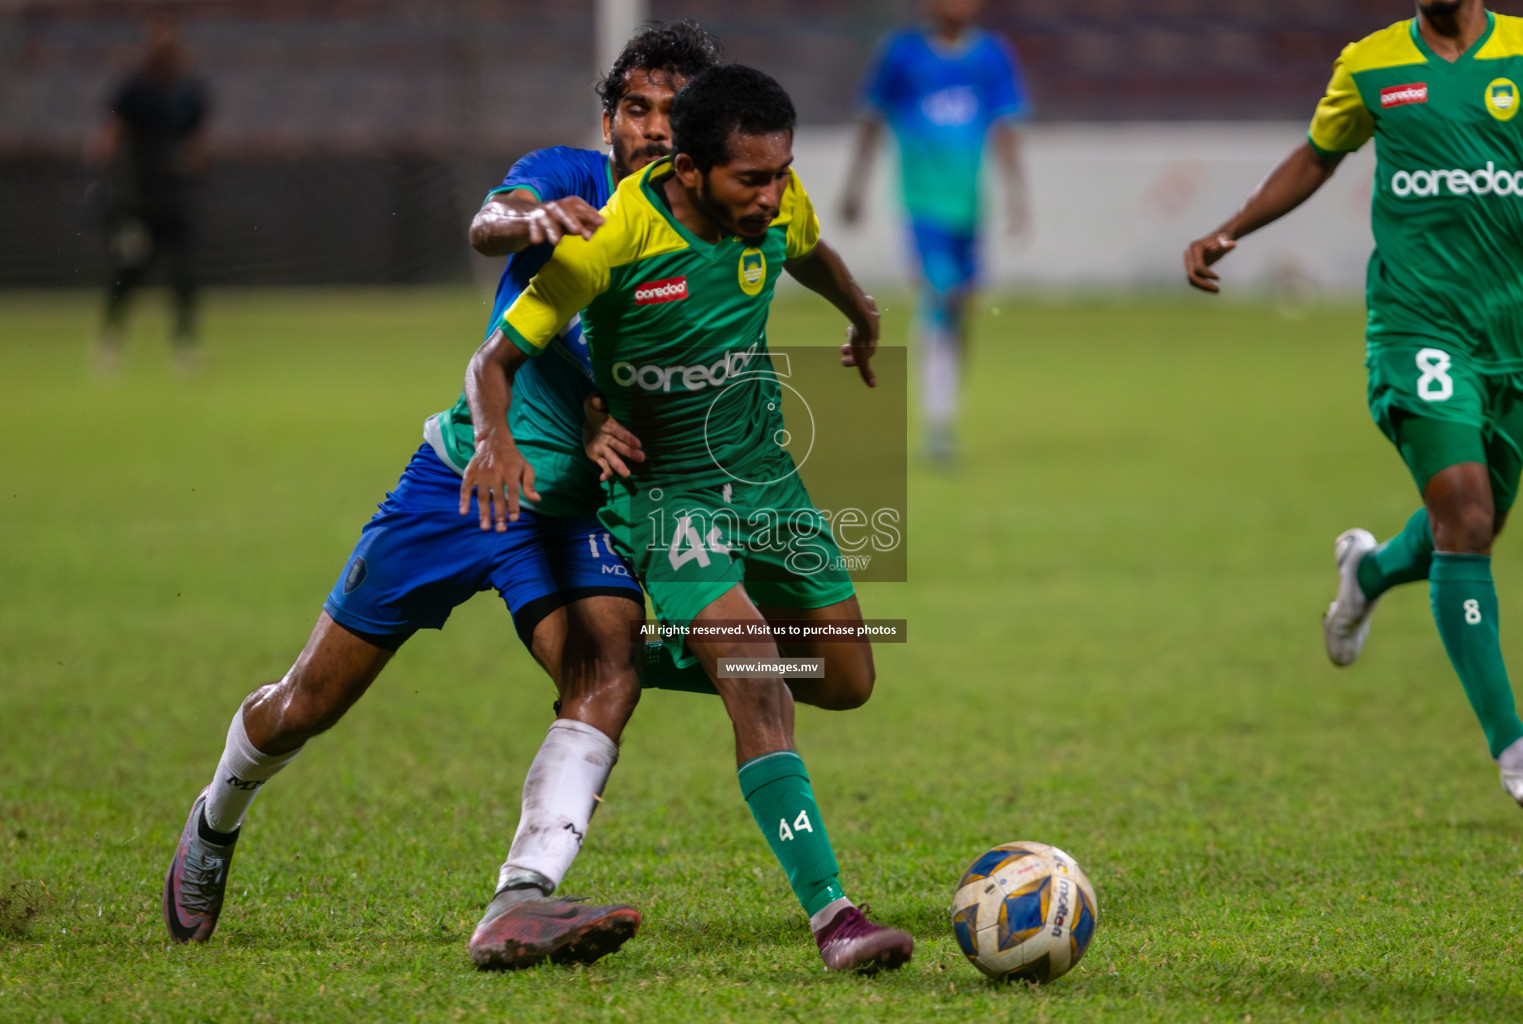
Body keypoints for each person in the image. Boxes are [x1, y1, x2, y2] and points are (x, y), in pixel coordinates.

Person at [163, 22, 730, 971]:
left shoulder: (706, 234)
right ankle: (217, 816)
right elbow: (487, 223)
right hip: (463, 483)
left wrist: (611, 423)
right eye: (637, 109)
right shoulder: (569, 179)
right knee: (307, 703)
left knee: (606, 673)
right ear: (609, 120)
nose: (655, 129)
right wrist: (532, 224)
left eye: (676, 114)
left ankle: (520, 899)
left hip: (568, 509)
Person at [460, 63, 913, 973]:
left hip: (769, 481)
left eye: (782, 171)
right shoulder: (614, 238)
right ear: (693, 170)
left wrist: (859, 311)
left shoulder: (775, 203)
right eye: (753, 178)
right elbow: (496, 359)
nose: (773, 194)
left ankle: (666, 650)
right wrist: (493, 438)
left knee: (849, 679)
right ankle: (836, 920)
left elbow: (808, 246)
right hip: (672, 496)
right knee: (760, 681)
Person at [1183, 0, 1523, 811]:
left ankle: (1367, 570)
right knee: (1468, 517)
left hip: (1516, 336)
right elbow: (1317, 156)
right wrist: (1230, 229)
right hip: (1418, 327)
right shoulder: (1370, 64)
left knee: (1470, 528)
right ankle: (1513, 743)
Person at [841, 0, 1029, 462]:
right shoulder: (902, 54)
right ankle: (937, 422)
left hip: (968, 207)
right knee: (940, 294)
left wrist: (1018, 193)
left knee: (961, 305)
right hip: (922, 205)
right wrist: (856, 185)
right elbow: (873, 118)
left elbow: (1004, 127)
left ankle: (945, 408)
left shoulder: (992, 55)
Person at [91, 21, 209, 372]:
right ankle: (109, 343)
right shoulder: (133, 90)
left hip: (174, 197)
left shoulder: (188, 92)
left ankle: (185, 347)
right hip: (137, 198)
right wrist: (115, 186)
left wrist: (190, 163)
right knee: (128, 271)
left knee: (183, 274)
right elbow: (110, 138)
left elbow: (200, 143)